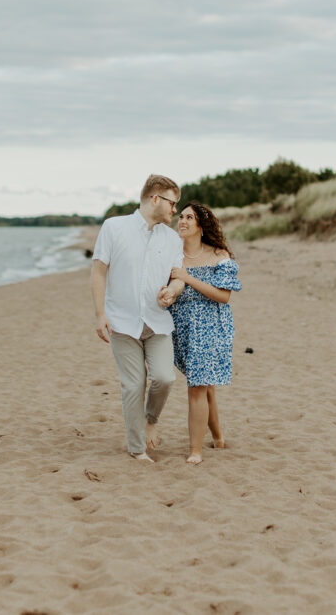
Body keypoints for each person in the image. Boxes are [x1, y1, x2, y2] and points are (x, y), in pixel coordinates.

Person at [91, 175, 183, 462]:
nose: (175, 210)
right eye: (172, 203)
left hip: (158, 322)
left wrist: (172, 291)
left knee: (164, 378)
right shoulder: (114, 227)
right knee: (133, 385)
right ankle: (137, 449)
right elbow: (98, 271)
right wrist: (99, 314)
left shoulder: (171, 238)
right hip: (121, 322)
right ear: (155, 199)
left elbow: (178, 278)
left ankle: (150, 419)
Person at [161, 203, 241, 464]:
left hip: (211, 327)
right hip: (182, 327)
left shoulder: (219, 255)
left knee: (197, 386)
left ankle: (195, 450)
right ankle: (218, 436)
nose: (182, 221)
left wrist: (189, 278)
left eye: (189, 218)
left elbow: (223, 296)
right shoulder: (172, 254)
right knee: (204, 387)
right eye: (180, 216)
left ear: (201, 226)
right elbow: (169, 285)